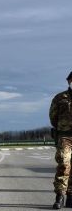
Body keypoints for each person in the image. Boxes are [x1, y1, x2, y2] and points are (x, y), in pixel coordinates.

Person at [50, 71, 72, 209]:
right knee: (64, 163)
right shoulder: (60, 98)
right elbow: (53, 117)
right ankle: (60, 195)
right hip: (65, 136)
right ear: (69, 82)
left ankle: (70, 196)